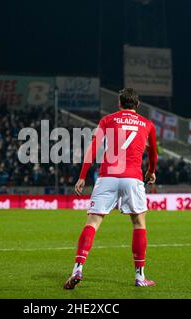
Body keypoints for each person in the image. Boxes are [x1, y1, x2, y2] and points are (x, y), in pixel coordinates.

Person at [63, 88, 158, 289]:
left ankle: (77, 269)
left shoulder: (108, 120)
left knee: (93, 222)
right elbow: (153, 154)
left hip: (107, 176)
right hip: (132, 177)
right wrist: (151, 172)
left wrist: (82, 177)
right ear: (137, 104)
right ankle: (140, 277)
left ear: (119, 103)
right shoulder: (147, 124)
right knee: (139, 223)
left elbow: (93, 147)